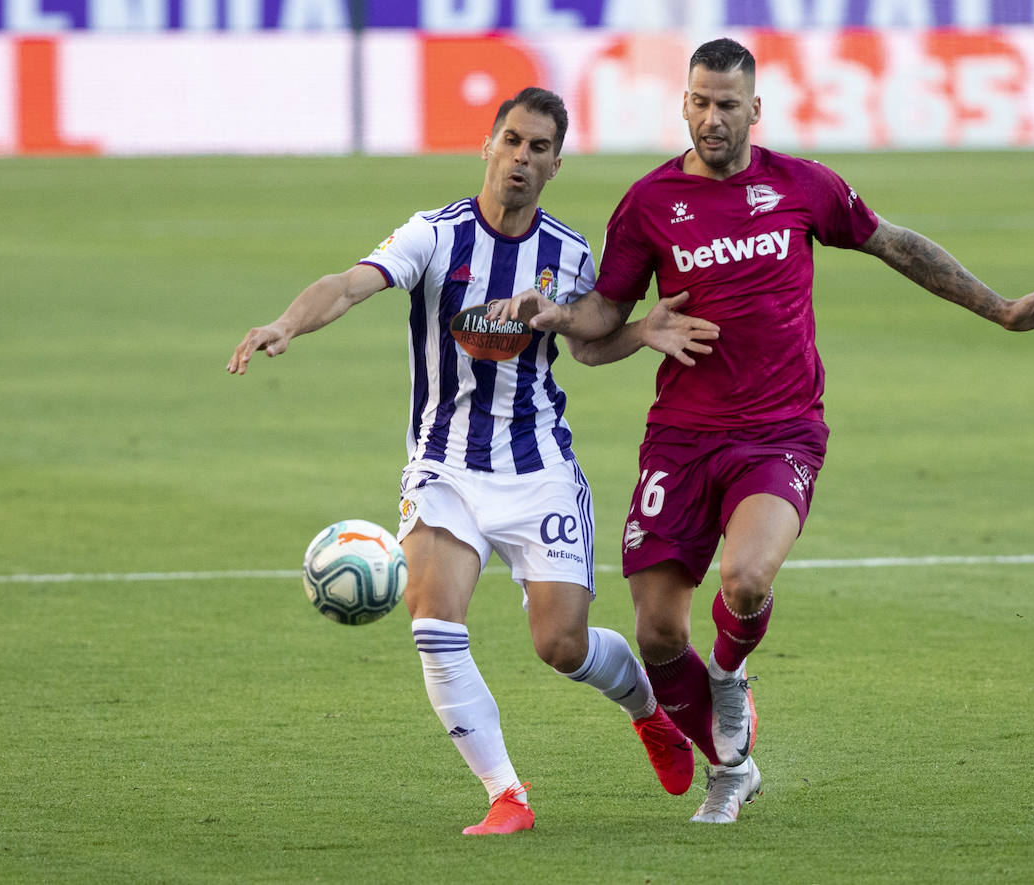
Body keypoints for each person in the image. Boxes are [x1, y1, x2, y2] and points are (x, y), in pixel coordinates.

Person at [489, 39, 1034, 824]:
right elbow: (603, 319)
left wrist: (1001, 308)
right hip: (682, 437)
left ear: (755, 110)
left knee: (746, 580)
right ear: (685, 103)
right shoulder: (650, 202)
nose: (711, 118)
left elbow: (895, 242)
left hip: (780, 431)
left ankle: (730, 675)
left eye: (728, 104)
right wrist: (556, 312)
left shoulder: (801, 186)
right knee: (658, 633)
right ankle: (732, 769)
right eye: (699, 101)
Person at [226, 87, 715, 834]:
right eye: (512, 141)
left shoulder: (569, 254)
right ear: (488, 145)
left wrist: (641, 330)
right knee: (432, 616)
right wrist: (288, 322)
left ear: (556, 163)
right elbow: (351, 283)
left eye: (539, 148)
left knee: (562, 644)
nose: (522, 157)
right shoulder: (435, 234)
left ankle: (649, 713)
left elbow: (587, 344)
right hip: (444, 466)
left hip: (538, 464)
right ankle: (506, 794)